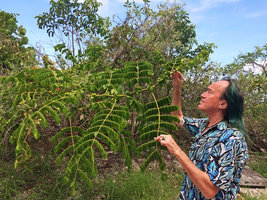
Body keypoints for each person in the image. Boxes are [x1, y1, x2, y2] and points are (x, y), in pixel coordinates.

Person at [156, 71, 249, 200]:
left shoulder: (231, 138)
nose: (202, 95)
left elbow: (210, 190)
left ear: (222, 104)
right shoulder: (204, 126)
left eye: (209, 92)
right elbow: (177, 117)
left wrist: (176, 150)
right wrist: (177, 88)